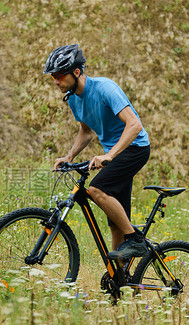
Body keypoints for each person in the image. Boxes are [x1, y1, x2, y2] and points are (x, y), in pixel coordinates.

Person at [46, 44, 151, 260]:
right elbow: (86, 131)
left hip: (134, 148)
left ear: (76, 72)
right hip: (115, 153)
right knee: (115, 224)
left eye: (59, 75)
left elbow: (134, 125)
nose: (55, 81)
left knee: (96, 190)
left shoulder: (105, 88)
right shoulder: (73, 97)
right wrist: (69, 156)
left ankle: (136, 241)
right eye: (53, 76)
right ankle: (120, 282)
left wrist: (109, 155)